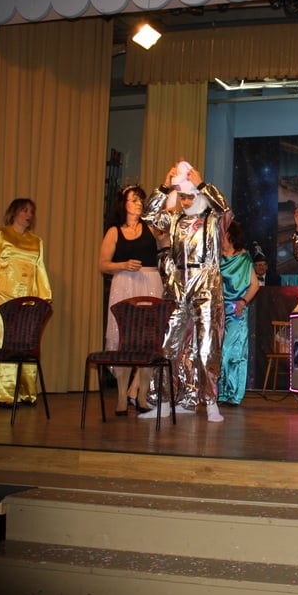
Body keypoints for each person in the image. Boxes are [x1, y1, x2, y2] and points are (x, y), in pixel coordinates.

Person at [143, 163, 229, 423]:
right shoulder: (174, 220)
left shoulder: (212, 219)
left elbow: (223, 208)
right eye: (182, 196)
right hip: (178, 286)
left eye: (191, 196)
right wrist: (163, 186)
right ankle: (166, 401)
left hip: (206, 284)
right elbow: (149, 215)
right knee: (169, 346)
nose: (187, 201)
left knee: (206, 347)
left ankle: (210, 402)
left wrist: (202, 184)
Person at [0, 198, 52, 407]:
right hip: (4, 298)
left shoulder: (36, 241)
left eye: (31, 211)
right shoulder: (0, 235)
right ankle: (6, 394)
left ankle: (26, 392)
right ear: (14, 212)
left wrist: (44, 299)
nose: (29, 215)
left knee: (27, 344)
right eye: (25, 210)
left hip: (28, 301)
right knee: (3, 343)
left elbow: (40, 270)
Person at [98, 184, 163, 416]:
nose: (138, 204)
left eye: (140, 200)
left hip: (150, 283)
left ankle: (141, 396)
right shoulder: (114, 231)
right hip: (124, 284)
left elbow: (167, 242)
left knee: (148, 341)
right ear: (123, 204)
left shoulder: (151, 228)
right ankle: (121, 399)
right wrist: (123, 265)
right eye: (134, 199)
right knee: (123, 340)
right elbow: (103, 264)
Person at [219, 220, 260, 405]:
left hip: (236, 310)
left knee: (232, 352)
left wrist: (243, 302)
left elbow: (254, 285)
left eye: (222, 233)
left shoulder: (243, 258)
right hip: (217, 311)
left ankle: (233, 393)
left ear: (230, 235)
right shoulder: (215, 257)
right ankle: (219, 393)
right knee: (217, 352)